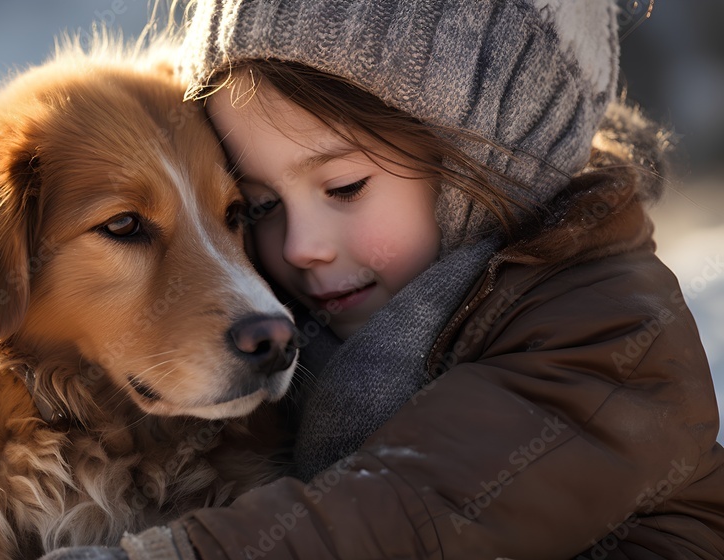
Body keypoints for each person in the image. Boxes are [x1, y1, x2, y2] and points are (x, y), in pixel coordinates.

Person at [47, 1, 724, 558]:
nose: (302, 246)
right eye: (258, 206)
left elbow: (416, 505)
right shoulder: (296, 326)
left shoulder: (606, 329)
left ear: (487, 158)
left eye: (344, 187)